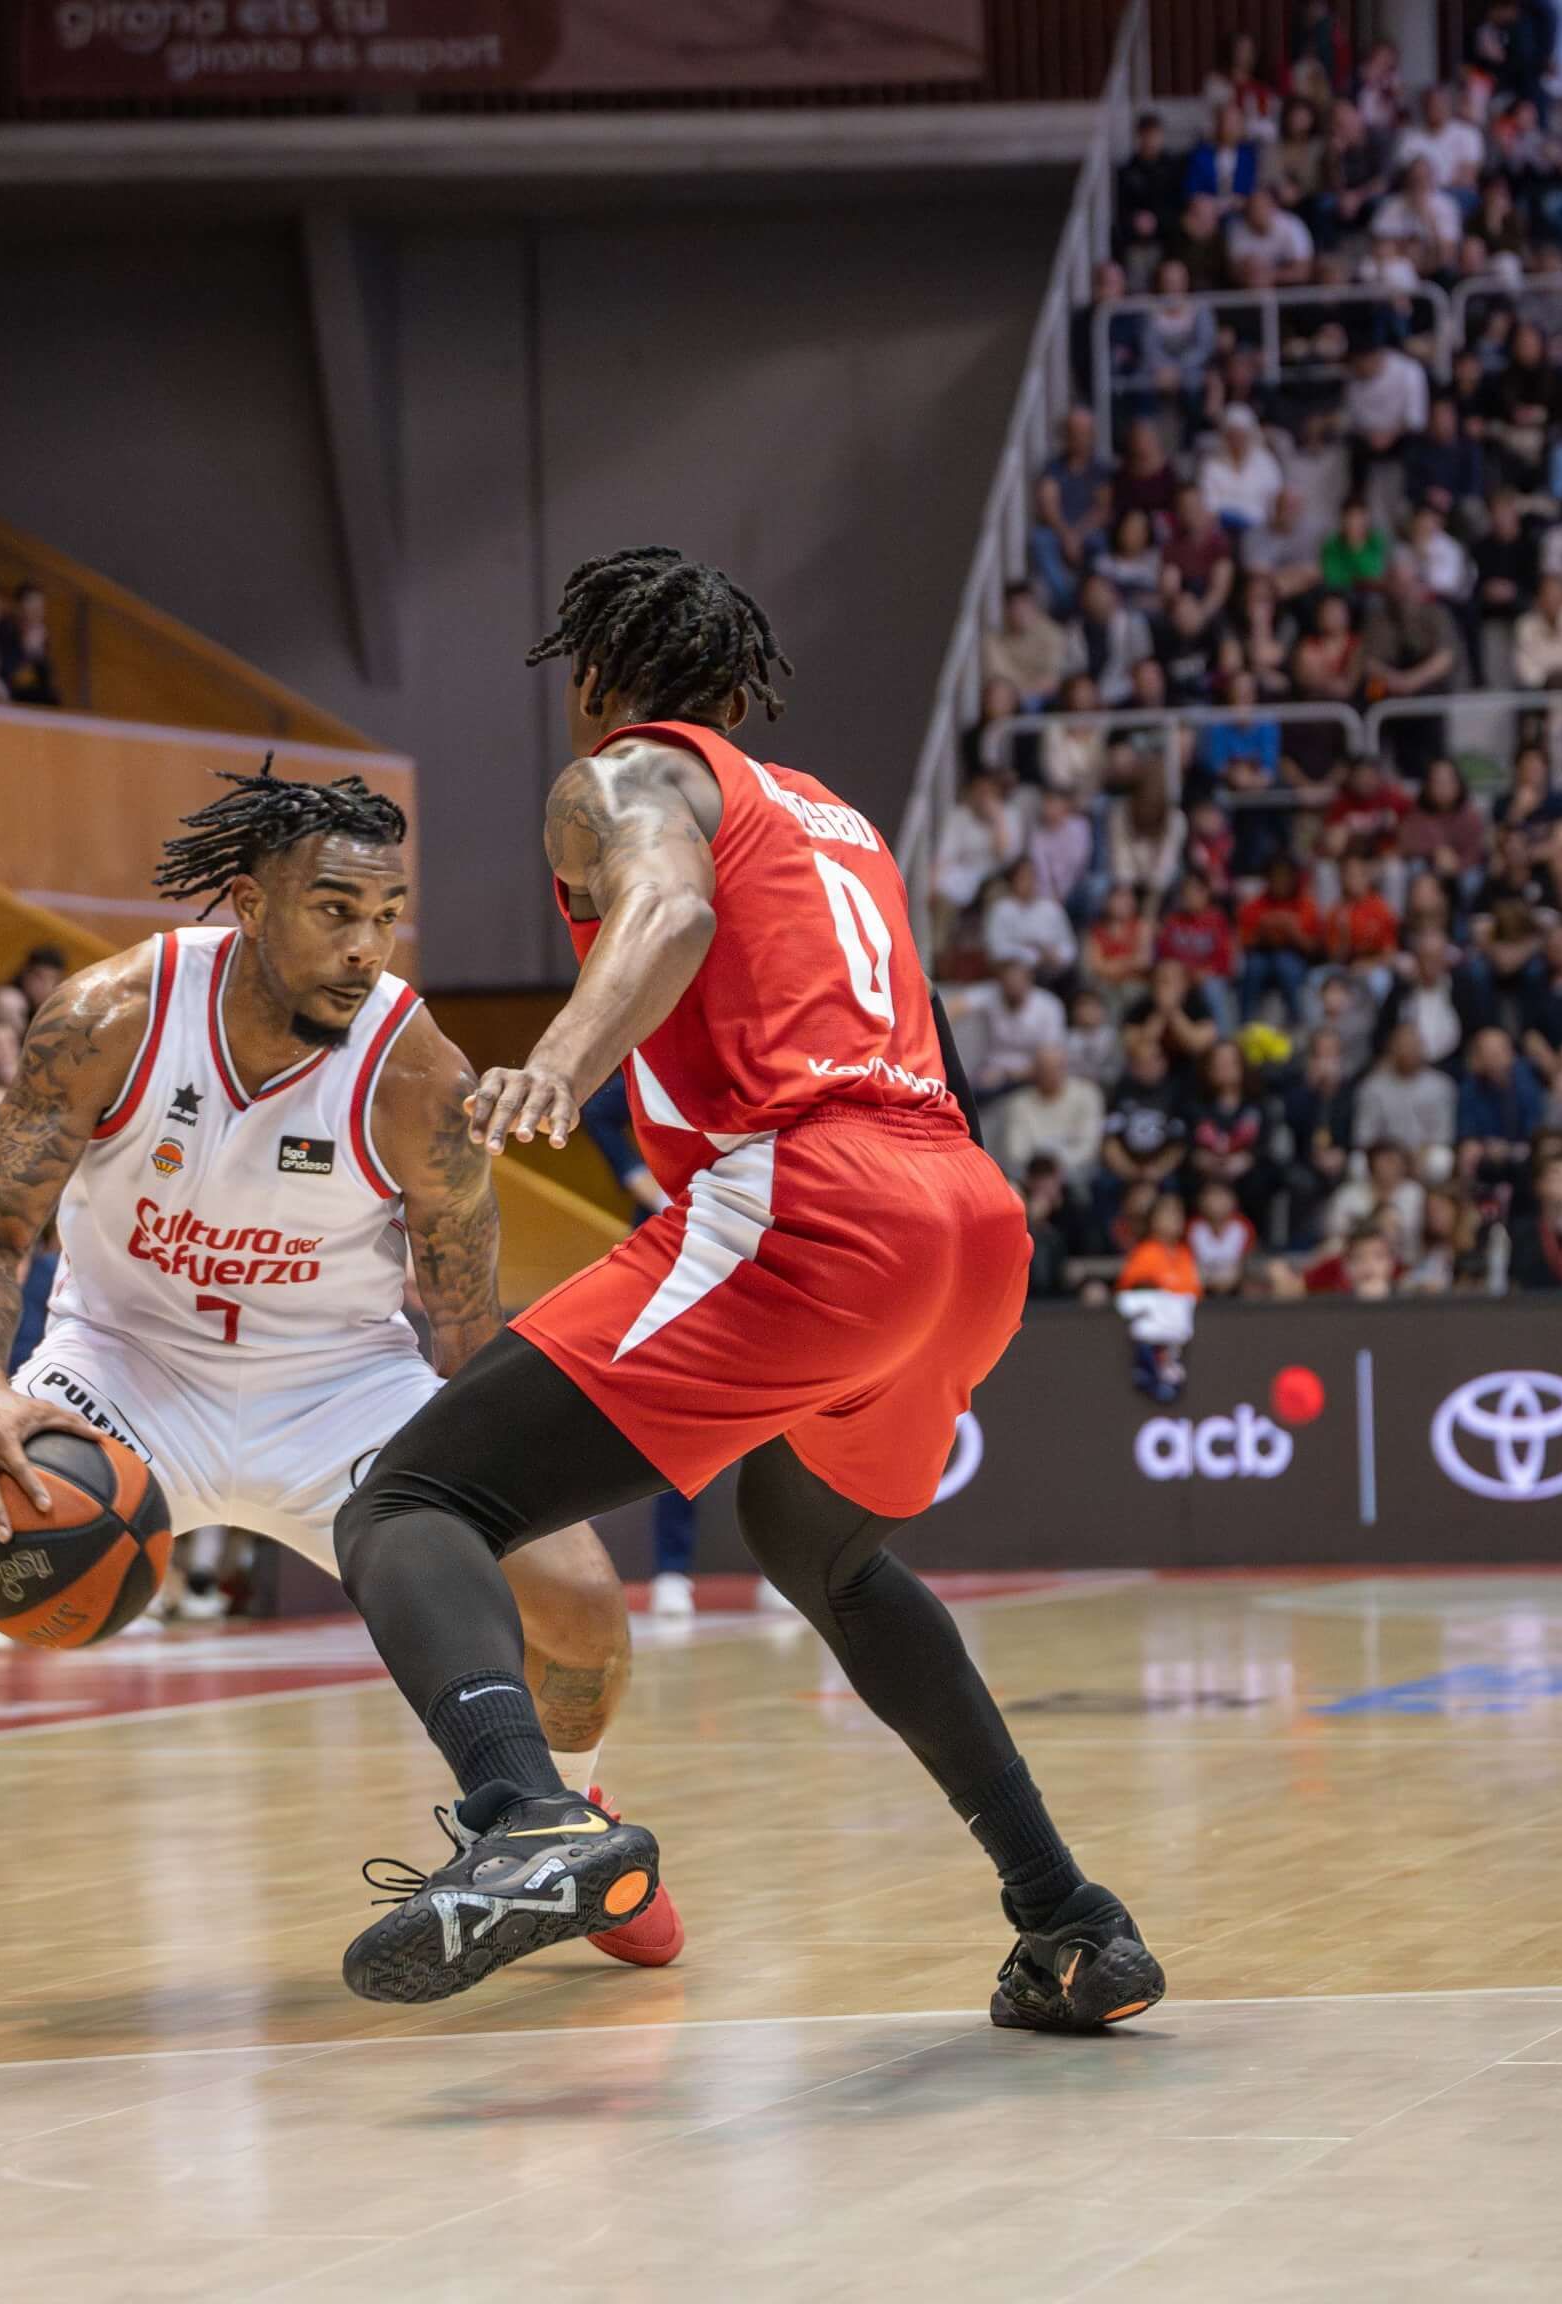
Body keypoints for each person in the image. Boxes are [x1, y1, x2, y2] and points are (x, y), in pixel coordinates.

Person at [0, 766, 669, 2029]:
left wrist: (520, 1482)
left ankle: (572, 1827)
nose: (363, 945)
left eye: (386, 916)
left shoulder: (414, 1074)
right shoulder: (111, 1015)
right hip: (124, 1363)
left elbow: (461, 1322)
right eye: (333, 910)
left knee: (581, 1607)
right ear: (246, 903)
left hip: (338, 1381)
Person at [315, 546, 1160, 2028]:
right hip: (965, 1210)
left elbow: (670, 917)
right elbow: (917, 1024)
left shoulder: (624, 774)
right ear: (740, 684)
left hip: (814, 1203)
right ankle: (1071, 1920)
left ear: (595, 678)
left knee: (411, 1502)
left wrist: (558, 1066)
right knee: (819, 1544)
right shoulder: (837, 821)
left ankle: (527, 1820)